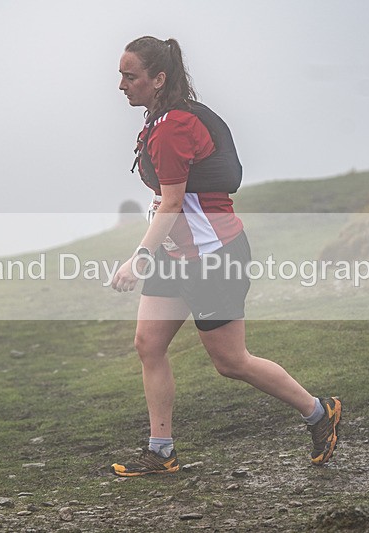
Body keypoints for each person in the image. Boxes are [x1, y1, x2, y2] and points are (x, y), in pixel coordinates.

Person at [110, 36, 341, 476]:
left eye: (130, 76)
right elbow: (168, 203)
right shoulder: (158, 122)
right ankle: (161, 451)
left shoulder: (174, 127)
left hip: (213, 257)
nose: (121, 85)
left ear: (158, 79)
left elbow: (175, 203)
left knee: (231, 361)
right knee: (148, 344)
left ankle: (319, 412)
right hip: (177, 254)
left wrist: (138, 258)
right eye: (121, 75)